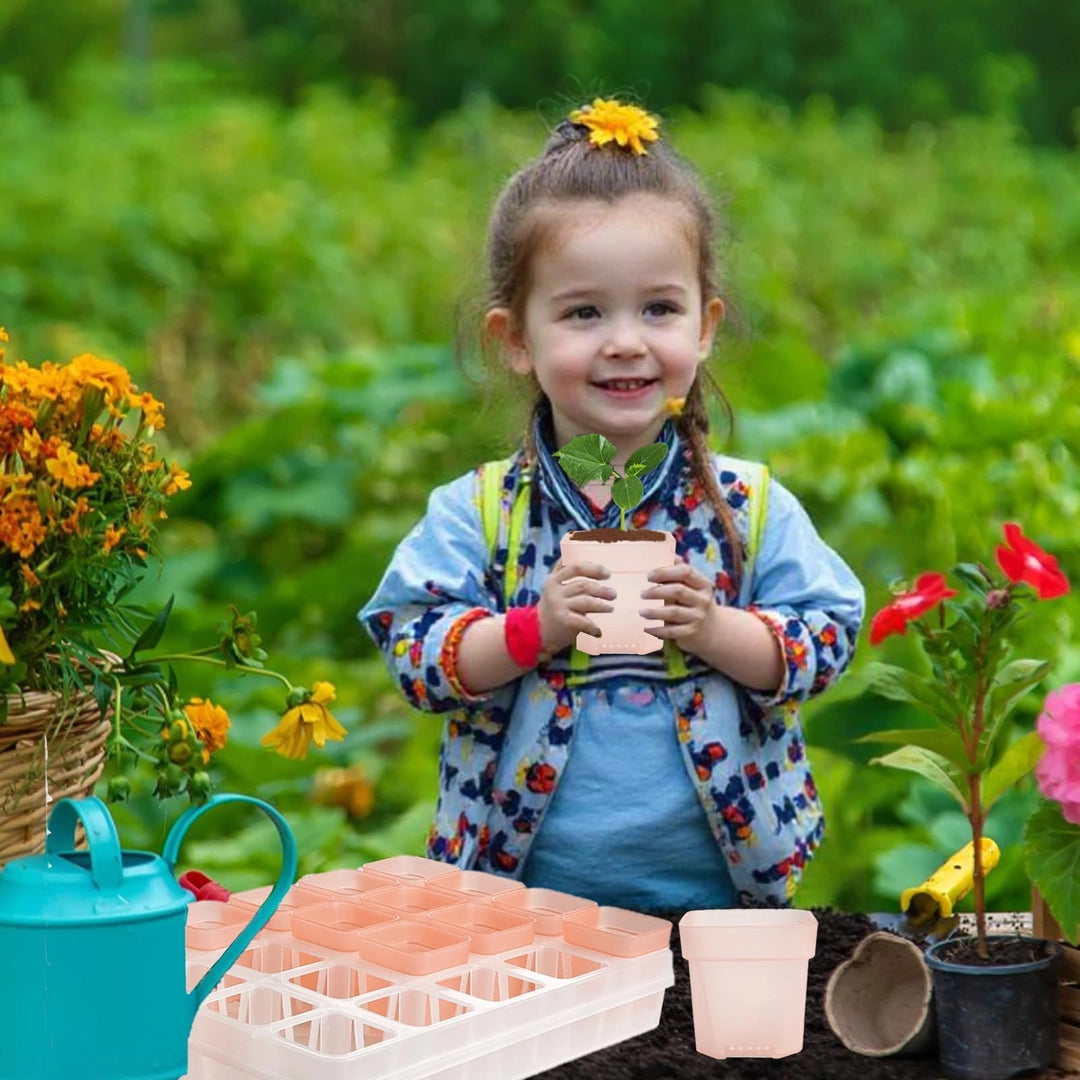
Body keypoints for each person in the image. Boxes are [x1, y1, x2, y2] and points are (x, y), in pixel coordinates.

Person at [359, 98, 865, 910]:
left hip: (725, 898)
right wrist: (534, 630)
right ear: (514, 339)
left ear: (705, 326)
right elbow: (412, 651)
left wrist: (717, 631)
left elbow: (829, 634)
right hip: (526, 900)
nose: (626, 341)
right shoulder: (478, 514)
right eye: (584, 312)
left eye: (659, 308)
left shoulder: (746, 507)